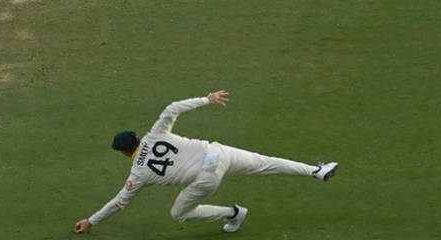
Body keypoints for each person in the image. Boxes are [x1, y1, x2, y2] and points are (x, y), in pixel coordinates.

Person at [74, 90, 337, 234]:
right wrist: (207, 99)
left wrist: (92, 221)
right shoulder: (155, 134)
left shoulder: (139, 173)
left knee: (179, 214)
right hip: (217, 152)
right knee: (264, 162)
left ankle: (234, 213)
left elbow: (120, 202)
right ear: (138, 138)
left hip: (206, 177)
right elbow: (172, 107)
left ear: (123, 153)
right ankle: (317, 170)